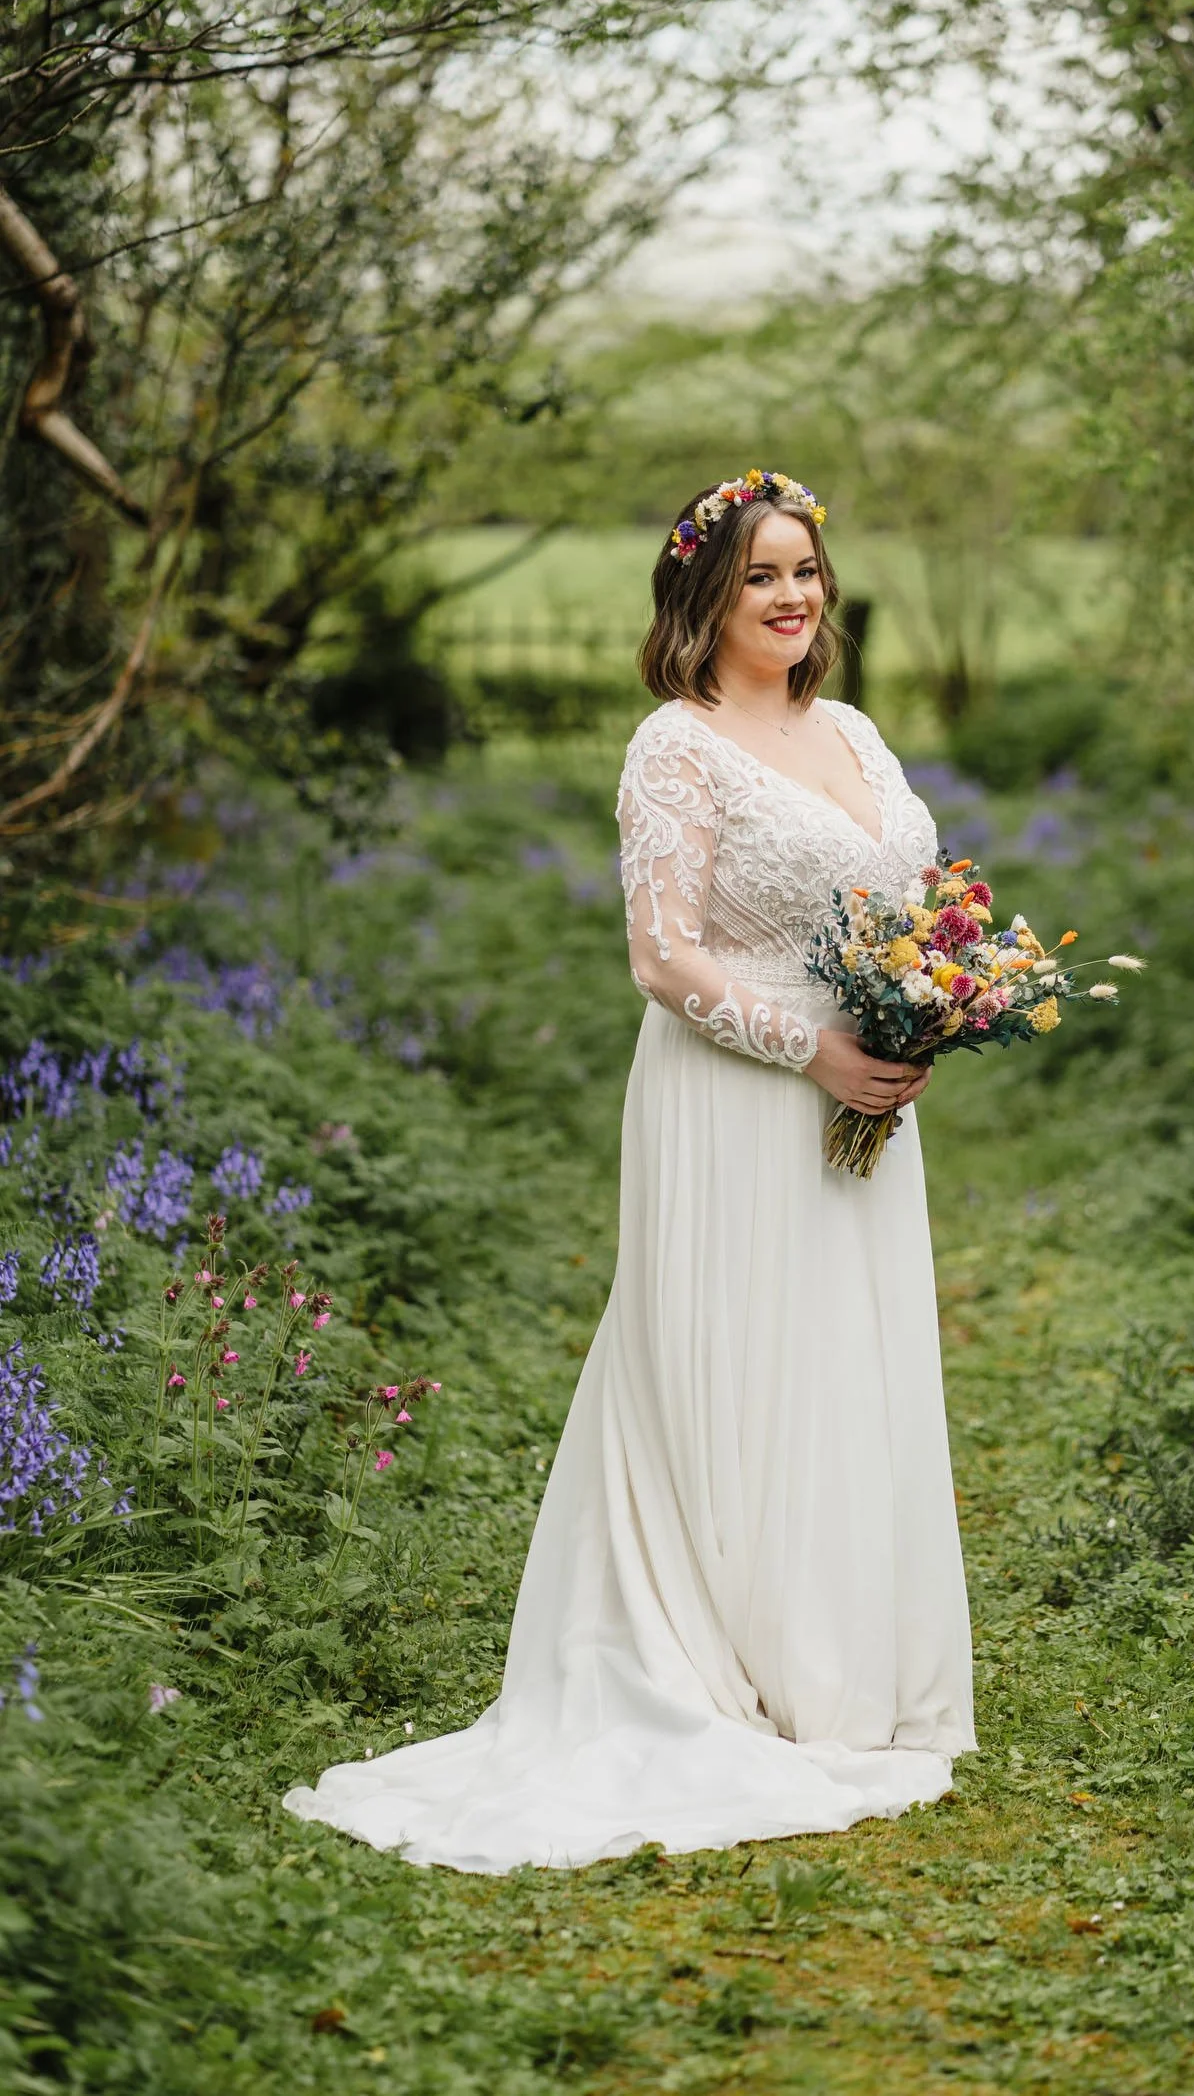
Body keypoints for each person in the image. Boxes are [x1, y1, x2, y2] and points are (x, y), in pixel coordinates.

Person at [283, 471, 975, 1870]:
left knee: (846, 1356)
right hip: (736, 1092)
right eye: (762, 575)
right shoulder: (678, 746)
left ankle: (842, 1669)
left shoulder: (850, 726)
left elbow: (912, 892)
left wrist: (932, 998)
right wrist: (820, 1051)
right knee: (739, 1361)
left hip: (862, 1091)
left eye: (806, 571)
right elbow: (665, 960)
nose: (793, 596)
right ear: (704, 597)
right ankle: (722, 1656)